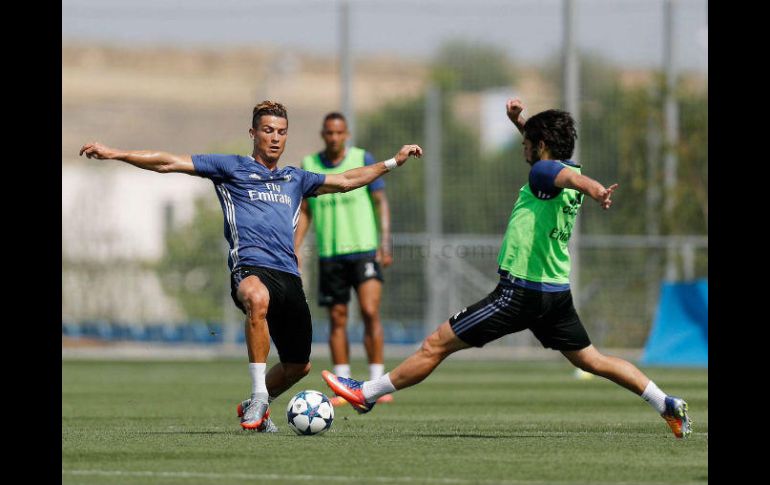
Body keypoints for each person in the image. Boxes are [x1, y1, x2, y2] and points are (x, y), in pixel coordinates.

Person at [322, 98, 692, 439]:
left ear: (541, 145)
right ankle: (665, 402)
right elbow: (557, 165)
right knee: (594, 360)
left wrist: (593, 188)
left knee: (436, 343)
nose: (522, 147)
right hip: (555, 294)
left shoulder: (550, 174)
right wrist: (521, 122)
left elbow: (559, 174)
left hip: (520, 294)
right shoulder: (562, 164)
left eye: (526, 141)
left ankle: (366, 393)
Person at [79, 100, 423, 432]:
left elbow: (347, 180)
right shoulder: (230, 168)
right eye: (268, 130)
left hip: (288, 277)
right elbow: (168, 161)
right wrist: (116, 153)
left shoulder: (296, 178)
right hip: (249, 268)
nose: (275, 137)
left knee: (298, 365)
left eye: (282, 131)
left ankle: (254, 403)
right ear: (253, 133)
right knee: (256, 299)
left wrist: (394, 161)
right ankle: (260, 395)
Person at [294, 112, 393, 406]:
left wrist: (385, 240)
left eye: (339, 133)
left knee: (369, 310)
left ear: (346, 134)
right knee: (337, 318)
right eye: (329, 133)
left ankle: (377, 383)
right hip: (330, 254)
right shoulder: (310, 166)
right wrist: (294, 247)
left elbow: (380, 201)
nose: (334, 138)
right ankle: (342, 385)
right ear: (323, 135)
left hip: (364, 249)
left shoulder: (362, 157)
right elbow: (307, 211)